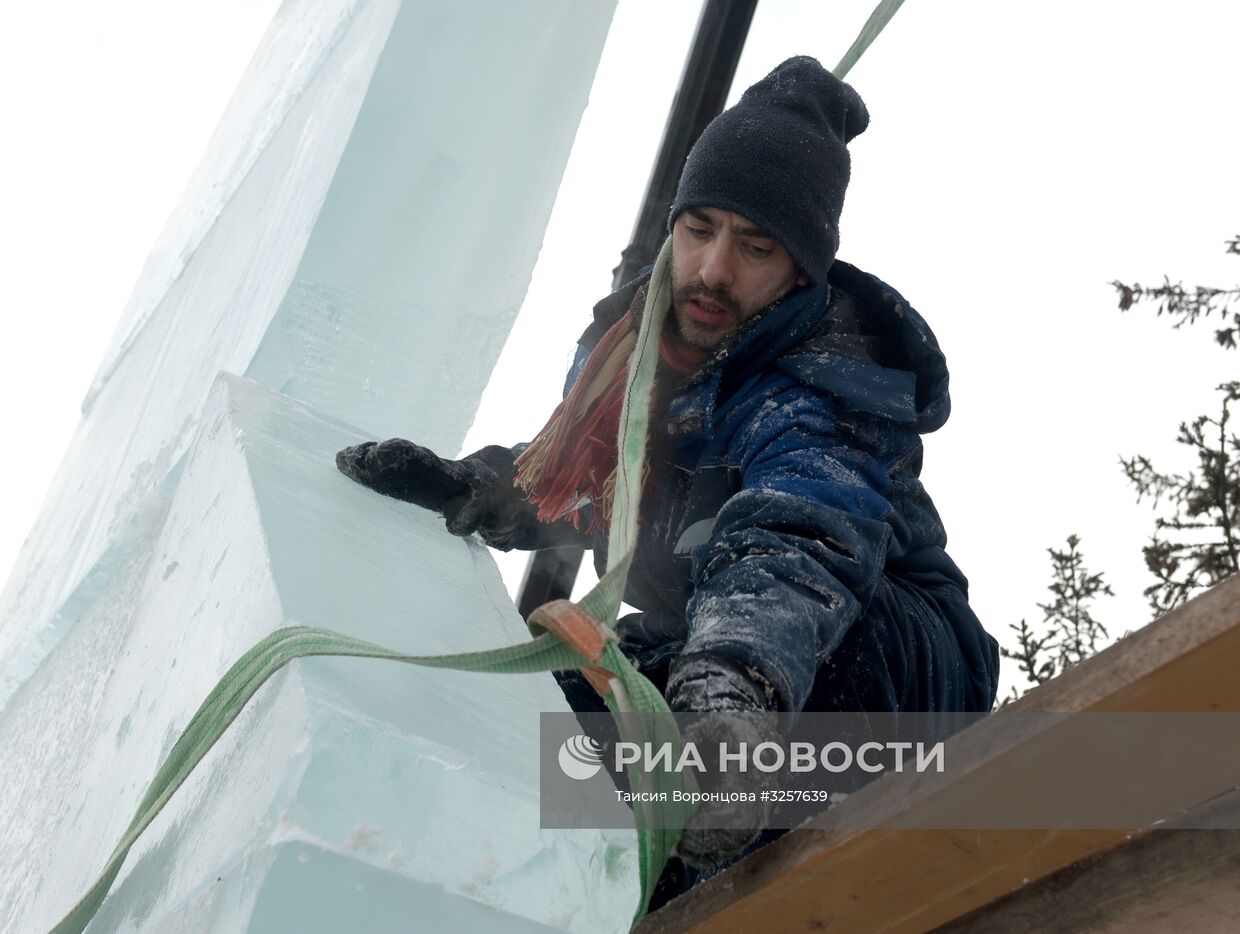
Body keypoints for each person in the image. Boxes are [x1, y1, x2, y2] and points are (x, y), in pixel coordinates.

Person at [336, 56, 999, 907]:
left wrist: (729, 689)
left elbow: (797, 538)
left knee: (774, 684)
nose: (714, 269)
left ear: (801, 270)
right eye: (700, 229)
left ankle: (720, 873)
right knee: (556, 720)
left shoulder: (825, 383)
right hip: (711, 642)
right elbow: (596, 487)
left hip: (890, 663)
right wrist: (489, 486)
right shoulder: (633, 359)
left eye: (756, 246)